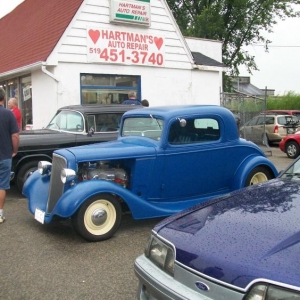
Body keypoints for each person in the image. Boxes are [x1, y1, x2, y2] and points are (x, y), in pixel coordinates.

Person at [0, 88, 19, 223]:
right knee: (1, 186)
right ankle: (0, 214)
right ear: (4, 99)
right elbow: (15, 136)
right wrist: (15, 150)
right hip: (4, 155)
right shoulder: (9, 114)